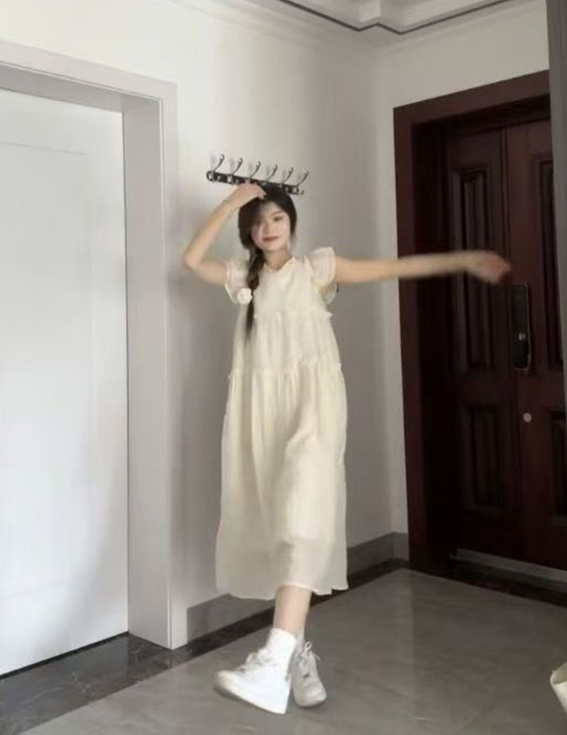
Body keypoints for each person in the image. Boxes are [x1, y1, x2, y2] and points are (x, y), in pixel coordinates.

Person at [181, 181, 511, 715]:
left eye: (276, 217)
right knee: (282, 529)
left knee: (303, 519)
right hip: (261, 416)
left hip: (315, 410)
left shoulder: (319, 269)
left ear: (292, 221)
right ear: (249, 231)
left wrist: (465, 259)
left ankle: (272, 661)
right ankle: (294, 655)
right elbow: (192, 260)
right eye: (257, 221)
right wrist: (229, 204)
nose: (268, 227)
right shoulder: (246, 279)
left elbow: (392, 268)